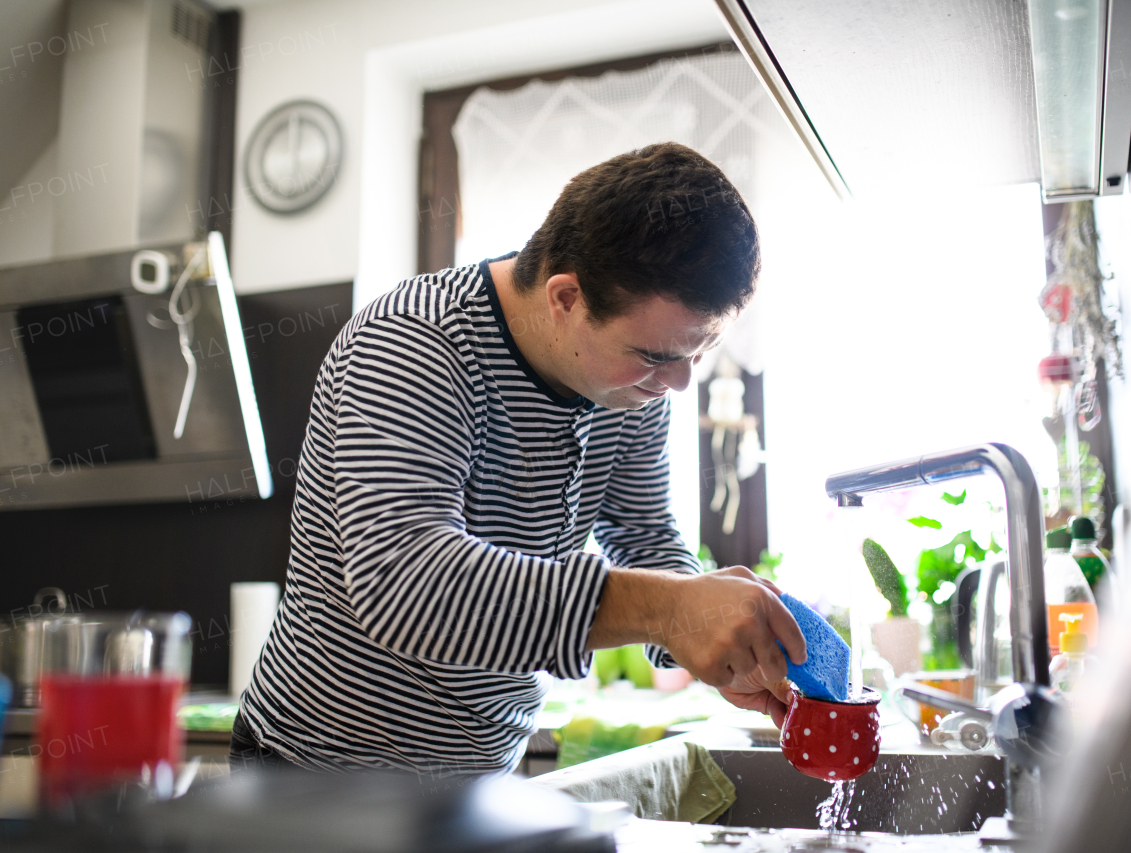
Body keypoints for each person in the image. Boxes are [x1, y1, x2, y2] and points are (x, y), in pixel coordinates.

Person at [231, 142, 806, 776]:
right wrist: (672, 609)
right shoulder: (411, 342)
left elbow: (644, 538)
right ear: (565, 298)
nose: (677, 384)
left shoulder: (629, 385)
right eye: (654, 355)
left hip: (481, 778)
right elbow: (409, 587)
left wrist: (720, 645)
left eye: (697, 353)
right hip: (318, 777)